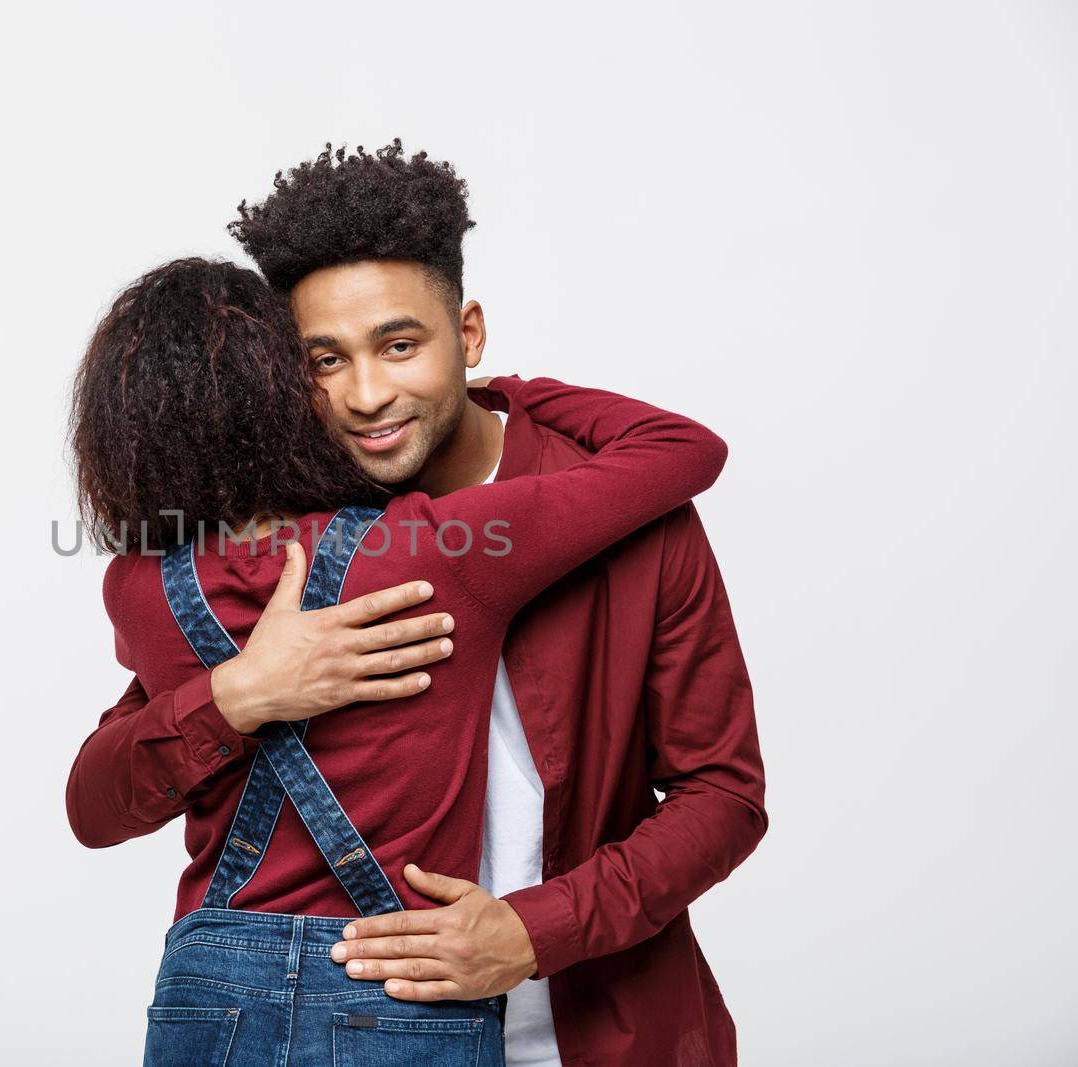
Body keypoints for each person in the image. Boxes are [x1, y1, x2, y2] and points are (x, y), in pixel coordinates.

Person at [67, 142, 767, 1066]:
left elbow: (724, 793)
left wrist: (532, 931)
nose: (368, 395)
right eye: (325, 360)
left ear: (468, 336)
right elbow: (101, 796)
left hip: (606, 1027)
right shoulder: (283, 548)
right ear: (285, 374)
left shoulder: (624, 516)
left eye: (402, 345)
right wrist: (241, 693)